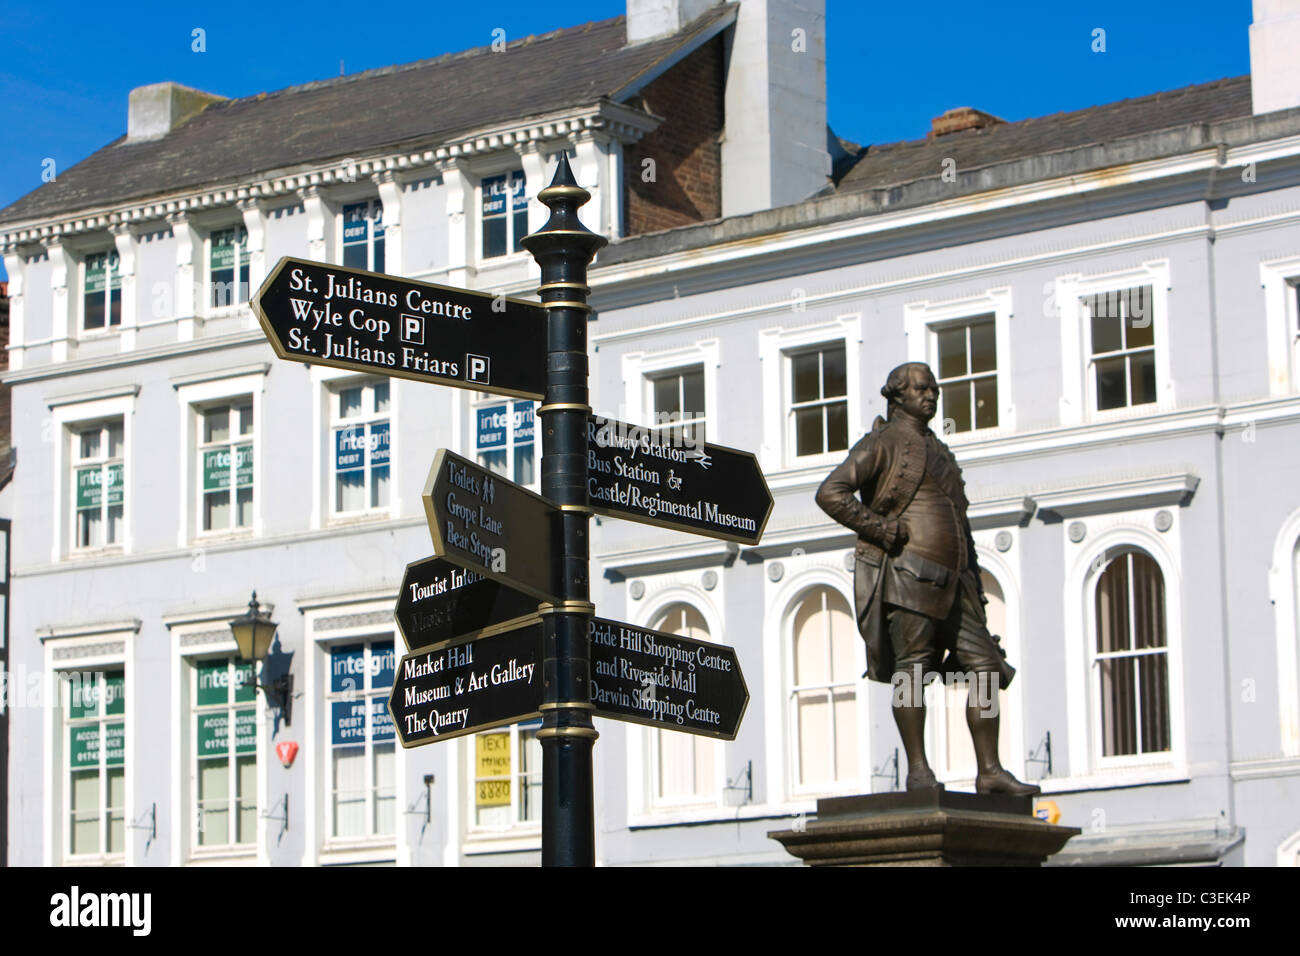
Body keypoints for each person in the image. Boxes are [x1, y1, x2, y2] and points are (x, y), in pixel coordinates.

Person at [815, 361, 1039, 795]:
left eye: (934, 388)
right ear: (896, 395)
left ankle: (989, 769)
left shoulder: (937, 448)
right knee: (912, 671)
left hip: (956, 584)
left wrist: (973, 583)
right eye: (920, 389)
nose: (930, 395)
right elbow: (831, 492)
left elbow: (958, 519)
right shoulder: (881, 443)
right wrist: (880, 529)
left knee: (986, 668)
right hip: (908, 576)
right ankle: (918, 770)